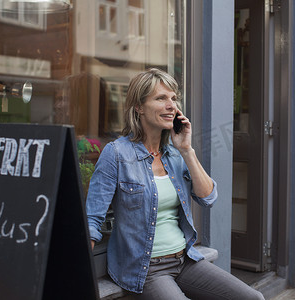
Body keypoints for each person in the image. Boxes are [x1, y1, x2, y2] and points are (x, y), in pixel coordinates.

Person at [86, 68, 264, 299]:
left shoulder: (174, 154)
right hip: (147, 268)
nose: (172, 105)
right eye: (161, 98)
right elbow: (92, 218)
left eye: (173, 98)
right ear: (139, 107)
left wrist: (187, 150)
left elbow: (207, 198)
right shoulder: (117, 153)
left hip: (185, 260)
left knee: (253, 298)